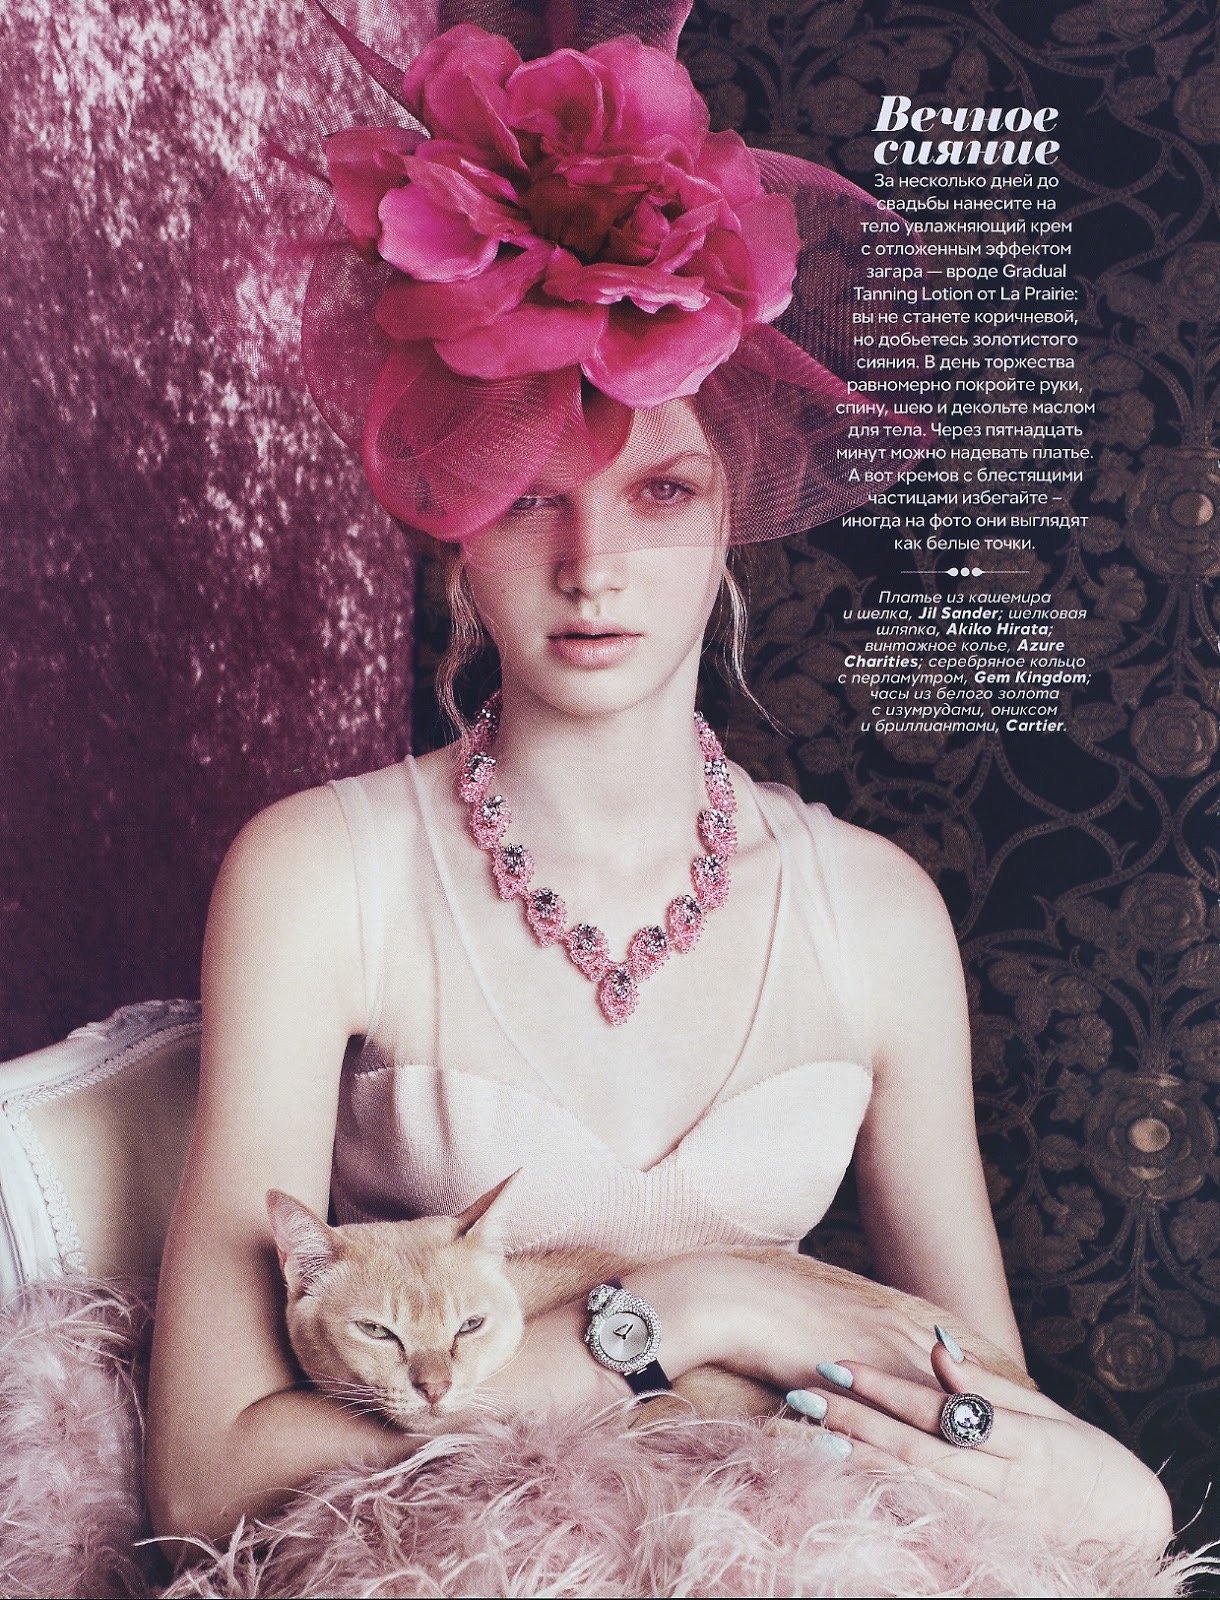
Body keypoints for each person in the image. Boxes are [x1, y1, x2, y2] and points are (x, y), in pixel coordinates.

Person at [147, 0, 1174, 1561]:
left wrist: (1093, 1499)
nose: (593, 564)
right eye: (530, 494)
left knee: (1133, 1505)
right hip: (451, 1573)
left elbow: (984, 1415)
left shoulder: (875, 913)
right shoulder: (317, 874)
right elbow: (203, 1485)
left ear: (735, 507)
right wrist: (704, 1304)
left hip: (786, 1557)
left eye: (663, 488)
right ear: (456, 522)